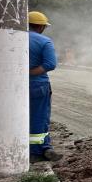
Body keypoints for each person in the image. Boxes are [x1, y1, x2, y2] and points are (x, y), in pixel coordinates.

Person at [29, 11, 62, 162]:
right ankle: (39, 151)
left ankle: (26, 147)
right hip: (38, 84)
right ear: (41, 27)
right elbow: (50, 64)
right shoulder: (44, 41)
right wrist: (29, 73)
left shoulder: (12, 39)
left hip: (12, 85)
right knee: (39, 117)